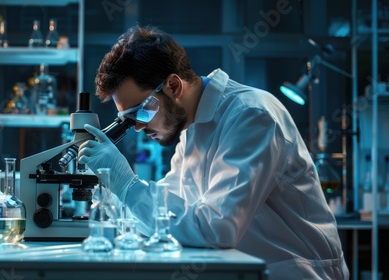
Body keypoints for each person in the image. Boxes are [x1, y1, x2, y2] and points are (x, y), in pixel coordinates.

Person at [77, 25, 349, 279]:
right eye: (127, 118)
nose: (136, 127)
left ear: (173, 86)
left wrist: (127, 185)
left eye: (140, 112)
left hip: (294, 272)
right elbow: (168, 211)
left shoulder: (250, 115)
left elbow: (218, 229)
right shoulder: (192, 129)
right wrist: (115, 192)